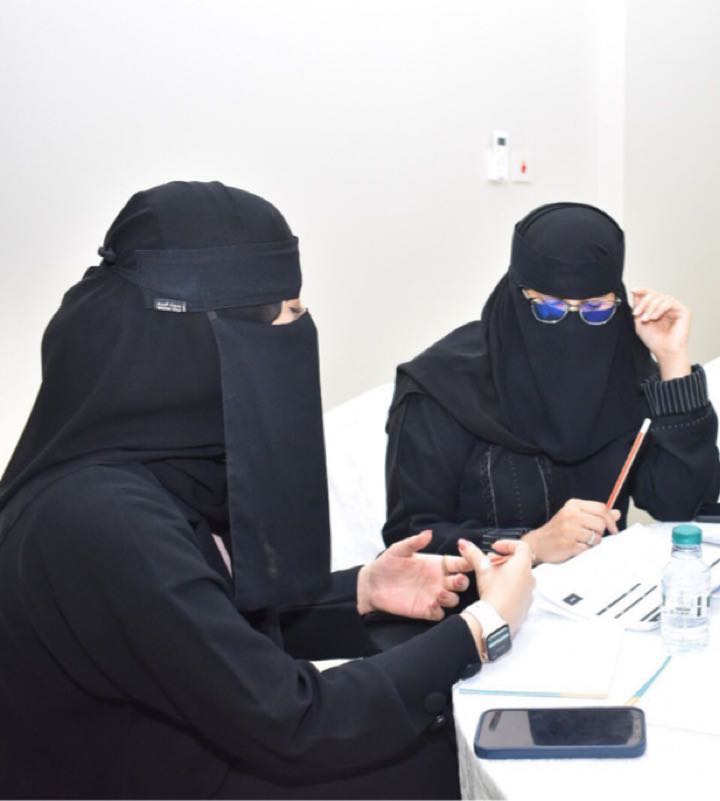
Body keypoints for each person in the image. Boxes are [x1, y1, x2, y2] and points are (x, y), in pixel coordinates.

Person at [0, 181, 534, 799]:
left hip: (195, 748)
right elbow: (294, 720)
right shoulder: (107, 518)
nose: (301, 331)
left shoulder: (152, 469)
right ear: (204, 337)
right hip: (171, 778)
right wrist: (485, 628)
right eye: (286, 314)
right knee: (454, 761)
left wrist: (363, 591)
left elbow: (204, 636)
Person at [384, 202, 720, 564]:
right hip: (480, 594)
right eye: (548, 308)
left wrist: (672, 360)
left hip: (601, 588)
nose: (572, 326)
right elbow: (409, 541)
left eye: (595, 309)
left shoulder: (623, 370)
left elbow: (682, 505)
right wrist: (529, 545)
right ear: (516, 294)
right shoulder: (441, 388)